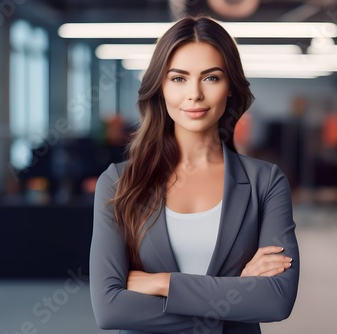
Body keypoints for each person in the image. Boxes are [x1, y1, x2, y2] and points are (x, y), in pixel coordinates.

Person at [90, 15, 299, 334]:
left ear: (230, 87)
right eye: (178, 78)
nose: (195, 94)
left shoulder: (265, 182)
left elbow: (276, 301)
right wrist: (234, 293)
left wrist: (161, 283)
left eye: (211, 78)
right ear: (160, 87)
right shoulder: (118, 183)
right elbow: (110, 308)